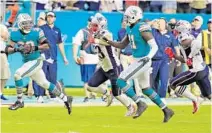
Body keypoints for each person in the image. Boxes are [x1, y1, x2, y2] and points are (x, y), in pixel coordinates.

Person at [98, 6, 174, 122]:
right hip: (138, 59)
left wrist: (147, 58)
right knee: (146, 89)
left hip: (143, 60)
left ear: (135, 16)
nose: (126, 19)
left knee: (120, 81)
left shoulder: (142, 27)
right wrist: (107, 41)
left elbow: (154, 46)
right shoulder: (130, 27)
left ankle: (140, 103)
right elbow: (122, 45)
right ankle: (166, 110)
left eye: (128, 17)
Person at [5, 13, 73, 113]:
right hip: (27, 61)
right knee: (44, 83)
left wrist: (34, 48)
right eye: (25, 23)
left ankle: (19, 101)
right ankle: (66, 99)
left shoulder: (37, 31)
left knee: (17, 75)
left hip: (36, 60)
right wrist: (16, 49)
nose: (28, 25)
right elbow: (8, 49)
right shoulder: (15, 33)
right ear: (19, 24)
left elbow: (47, 45)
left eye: (29, 23)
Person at [87, 13, 136, 117]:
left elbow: (107, 42)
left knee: (117, 93)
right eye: (93, 25)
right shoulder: (95, 35)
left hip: (114, 67)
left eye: (96, 25)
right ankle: (107, 93)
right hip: (104, 67)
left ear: (102, 25)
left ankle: (130, 106)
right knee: (90, 86)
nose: (93, 27)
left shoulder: (107, 33)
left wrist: (95, 40)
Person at [165, 20, 211, 113]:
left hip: (196, 71)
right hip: (203, 69)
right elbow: (184, 60)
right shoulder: (185, 38)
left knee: (173, 84)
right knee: (209, 95)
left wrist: (190, 57)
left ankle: (195, 99)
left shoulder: (185, 38)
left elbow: (197, 44)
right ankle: (197, 99)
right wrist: (174, 55)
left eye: (176, 28)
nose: (174, 30)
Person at [33, 11, 69, 100]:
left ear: (55, 18)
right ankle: (40, 96)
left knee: (52, 78)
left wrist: (64, 57)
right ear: (46, 18)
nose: (50, 18)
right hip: (43, 57)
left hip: (53, 57)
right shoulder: (41, 29)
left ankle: (53, 96)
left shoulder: (57, 30)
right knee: (42, 77)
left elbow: (60, 44)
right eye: (48, 17)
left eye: (52, 17)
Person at [151, 18, 180, 100]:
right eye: (159, 23)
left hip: (165, 60)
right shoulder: (153, 32)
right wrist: (153, 22)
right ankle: (154, 97)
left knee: (164, 80)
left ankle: (162, 97)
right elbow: (146, 26)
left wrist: (178, 58)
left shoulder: (171, 35)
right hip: (154, 60)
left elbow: (176, 47)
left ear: (165, 24)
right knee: (153, 81)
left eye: (162, 23)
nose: (160, 25)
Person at [72, 16, 98, 102]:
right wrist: (75, 56)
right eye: (90, 21)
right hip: (87, 58)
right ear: (88, 22)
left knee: (97, 78)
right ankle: (87, 95)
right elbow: (76, 43)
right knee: (87, 79)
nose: (92, 23)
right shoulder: (82, 31)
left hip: (97, 58)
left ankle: (94, 94)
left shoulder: (98, 31)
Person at [0, 21, 10, 100]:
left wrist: (3, 35)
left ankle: (0, 92)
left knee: (5, 75)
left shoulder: (3, 26)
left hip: (2, 53)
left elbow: (6, 36)